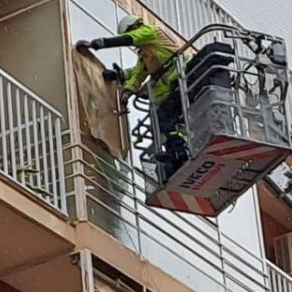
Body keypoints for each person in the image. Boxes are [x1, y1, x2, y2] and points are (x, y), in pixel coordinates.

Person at [77, 16, 232, 183]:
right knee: (165, 120)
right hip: (176, 87)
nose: (134, 41)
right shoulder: (145, 55)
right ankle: (177, 155)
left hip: (184, 79)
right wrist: (124, 84)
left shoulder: (150, 31)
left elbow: (129, 39)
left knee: (164, 117)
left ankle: (179, 152)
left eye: (132, 31)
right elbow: (138, 74)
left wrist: (97, 44)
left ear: (136, 25)